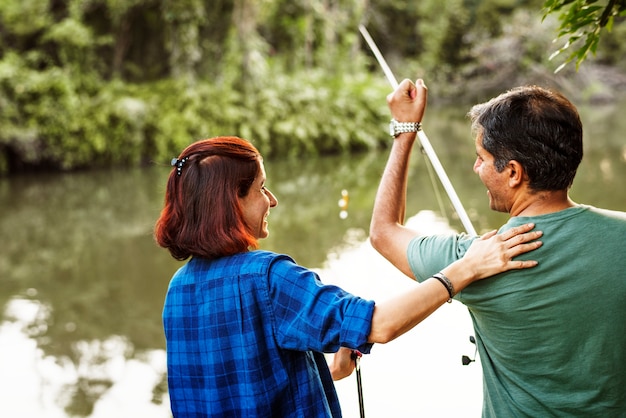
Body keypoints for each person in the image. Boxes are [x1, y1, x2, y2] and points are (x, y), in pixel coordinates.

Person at [154, 136, 542, 417]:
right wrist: (468, 267)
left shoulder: (179, 290)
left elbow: (242, 389)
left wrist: (332, 369)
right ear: (230, 202)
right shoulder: (267, 277)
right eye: (260, 188)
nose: (272, 200)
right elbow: (380, 325)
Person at [370, 79, 626, 417]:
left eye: (481, 158)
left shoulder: (476, 260)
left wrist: (406, 130)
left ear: (514, 173)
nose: (476, 168)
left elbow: (384, 232)